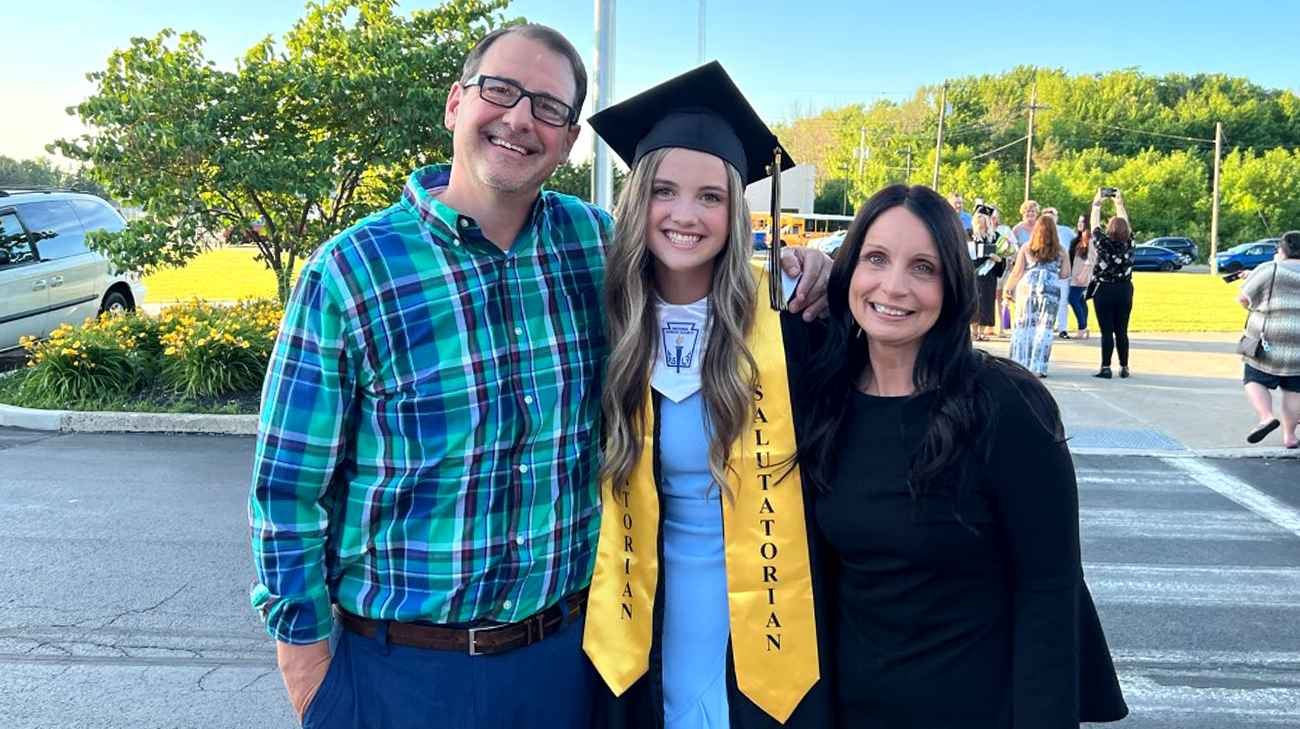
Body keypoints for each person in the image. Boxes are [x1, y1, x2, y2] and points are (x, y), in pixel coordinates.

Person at [247, 25, 830, 729]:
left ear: (569, 135)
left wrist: (816, 266)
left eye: (548, 107)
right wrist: (312, 674)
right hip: (406, 672)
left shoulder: (595, 248)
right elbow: (286, 496)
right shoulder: (351, 273)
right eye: (500, 91)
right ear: (456, 102)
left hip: (566, 662)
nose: (521, 119)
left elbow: (695, 256)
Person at [796, 183, 1128, 728]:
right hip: (850, 710)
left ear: (953, 283)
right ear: (848, 269)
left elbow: (1050, 591)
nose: (894, 286)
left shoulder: (1006, 406)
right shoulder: (824, 397)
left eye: (923, 267)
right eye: (875, 258)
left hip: (976, 710)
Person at [582, 62, 832, 729]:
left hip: (772, 627)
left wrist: (834, 277)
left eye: (710, 196)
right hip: (637, 628)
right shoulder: (604, 321)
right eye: (664, 191)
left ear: (736, 208)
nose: (684, 215)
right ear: (639, 201)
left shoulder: (790, 326)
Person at [1236, 231, 1300, 448]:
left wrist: (1254, 307)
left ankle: (1266, 417)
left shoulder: (1268, 269)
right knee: (1294, 389)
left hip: (1268, 336)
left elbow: (1244, 299)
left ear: (1282, 250)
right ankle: (1290, 436)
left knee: (1254, 378)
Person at [1005, 218, 1072, 377]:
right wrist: (1065, 258)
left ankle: (1020, 363)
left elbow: (1017, 272)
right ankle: (1039, 366)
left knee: (1024, 325)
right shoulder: (1060, 250)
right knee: (1045, 328)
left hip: (1028, 285)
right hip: (1050, 287)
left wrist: (1007, 289)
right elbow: (1065, 274)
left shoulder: (1027, 247)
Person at [1087, 188, 1134, 378]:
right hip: (1124, 289)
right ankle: (1124, 366)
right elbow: (1127, 225)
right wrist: (1118, 203)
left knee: (1107, 331)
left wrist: (1096, 204)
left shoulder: (1103, 243)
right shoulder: (1129, 244)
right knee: (1121, 330)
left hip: (1105, 288)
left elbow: (1094, 225)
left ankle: (1106, 366)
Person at [969, 207, 1004, 341]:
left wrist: (999, 259)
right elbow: (966, 253)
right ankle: (973, 331)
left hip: (989, 274)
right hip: (974, 272)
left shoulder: (995, 237)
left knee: (987, 300)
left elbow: (1002, 256)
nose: (979, 219)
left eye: (982, 217)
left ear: (988, 220)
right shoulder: (969, 234)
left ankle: (982, 331)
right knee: (974, 300)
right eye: (977, 216)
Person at [1043, 208, 1076, 339]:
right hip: (1045, 272)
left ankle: (1063, 328)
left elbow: (1077, 243)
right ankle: (1046, 326)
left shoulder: (1066, 231)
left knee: (1062, 302)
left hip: (1061, 270)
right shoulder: (1039, 233)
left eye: (1052, 217)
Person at [1067, 215, 1093, 339]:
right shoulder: (1077, 240)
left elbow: (1091, 259)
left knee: (1072, 298)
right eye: (1078, 221)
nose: (1079, 224)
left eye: (1082, 222)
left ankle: (1082, 327)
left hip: (1082, 276)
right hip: (1074, 275)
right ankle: (1084, 327)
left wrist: (1083, 275)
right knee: (1080, 300)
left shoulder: (1091, 241)